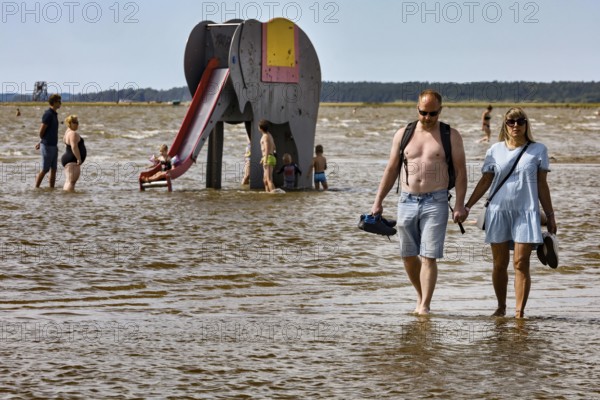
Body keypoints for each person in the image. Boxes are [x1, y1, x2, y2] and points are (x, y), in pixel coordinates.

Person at [370, 89, 468, 315]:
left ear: (440, 111)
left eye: (433, 114)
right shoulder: (403, 134)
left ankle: (424, 306)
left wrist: (461, 204)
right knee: (407, 254)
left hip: (437, 200)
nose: (427, 118)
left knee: (429, 255)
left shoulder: (450, 135)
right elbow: (392, 169)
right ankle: (420, 294)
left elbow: (462, 172)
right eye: (423, 113)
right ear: (417, 109)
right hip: (406, 200)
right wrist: (378, 202)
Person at [464, 107, 556, 319]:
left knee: (521, 263)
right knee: (499, 264)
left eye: (520, 121)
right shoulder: (495, 150)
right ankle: (501, 307)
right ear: (505, 124)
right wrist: (467, 207)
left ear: (526, 124)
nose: (516, 125)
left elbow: (542, 185)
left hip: (526, 212)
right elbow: (485, 181)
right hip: (498, 212)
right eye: (511, 122)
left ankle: (519, 313)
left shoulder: (538, 149)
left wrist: (550, 215)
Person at [35, 94, 61, 188]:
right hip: (47, 146)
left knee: (54, 169)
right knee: (45, 169)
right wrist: (42, 142)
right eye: (59, 101)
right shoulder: (48, 114)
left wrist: (40, 141)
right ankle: (36, 188)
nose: (60, 103)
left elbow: (49, 131)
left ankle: (51, 189)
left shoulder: (54, 114)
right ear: (54, 102)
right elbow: (41, 131)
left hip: (54, 146)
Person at [61, 115, 87, 191]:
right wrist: (79, 159)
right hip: (72, 159)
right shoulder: (73, 134)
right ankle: (69, 197)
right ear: (69, 123)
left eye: (77, 122)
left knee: (69, 181)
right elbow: (74, 147)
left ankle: (67, 196)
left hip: (69, 158)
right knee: (71, 182)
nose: (77, 124)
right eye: (75, 122)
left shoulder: (67, 132)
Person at [259, 119, 276, 192]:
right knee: (265, 180)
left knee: (269, 180)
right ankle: (267, 194)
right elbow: (274, 147)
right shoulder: (269, 135)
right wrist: (263, 158)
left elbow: (266, 148)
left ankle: (274, 195)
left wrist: (265, 160)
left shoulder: (265, 136)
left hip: (268, 158)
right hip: (268, 157)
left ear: (260, 128)